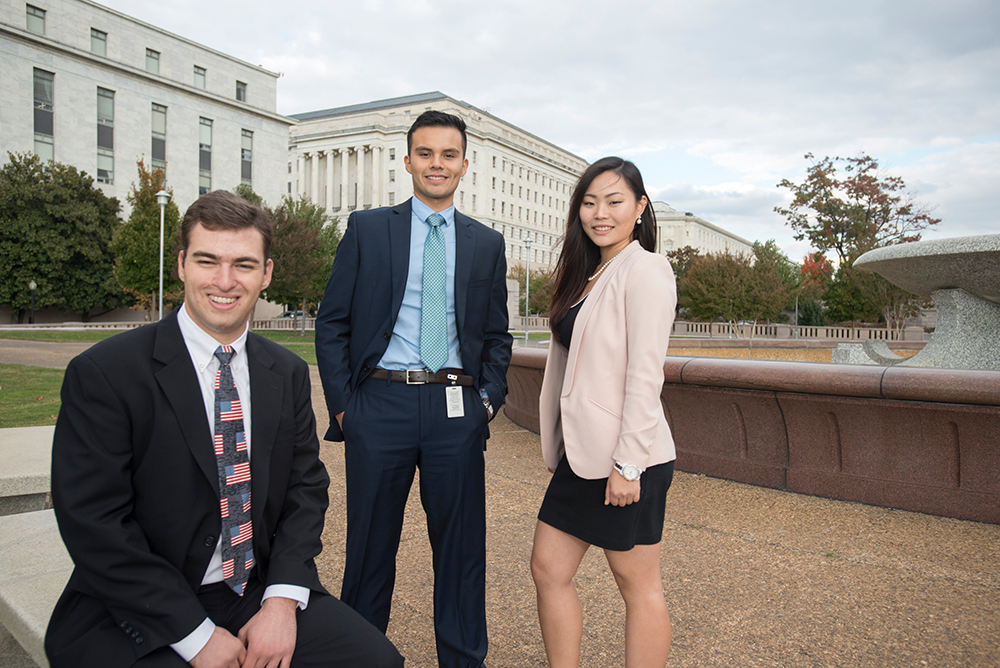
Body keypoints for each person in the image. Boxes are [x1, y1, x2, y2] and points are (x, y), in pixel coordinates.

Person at [45, 190, 403, 668]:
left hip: (252, 591)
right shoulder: (106, 374)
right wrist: (194, 636)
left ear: (267, 274)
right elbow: (94, 523)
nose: (224, 281)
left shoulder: (287, 372)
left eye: (244, 265)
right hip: (139, 606)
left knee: (376, 661)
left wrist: (280, 601)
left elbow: (305, 489)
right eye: (207, 261)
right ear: (181, 265)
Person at [315, 110, 512, 668]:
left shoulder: (486, 243)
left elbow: (496, 334)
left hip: (456, 407)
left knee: (461, 551)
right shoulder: (367, 228)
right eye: (425, 153)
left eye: (449, 155)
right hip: (379, 404)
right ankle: (358, 657)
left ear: (465, 165)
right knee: (370, 549)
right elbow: (332, 324)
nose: (437, 164)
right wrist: (347, 409)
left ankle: (463, 659)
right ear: (407, 161)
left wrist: (486, 404)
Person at [530, 157, 678, 667]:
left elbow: (645, 374)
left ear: (639, 208)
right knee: (548, 570)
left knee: (638, 586)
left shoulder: (646, 268)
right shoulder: (591, 273)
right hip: (584, 455)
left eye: (614, 201)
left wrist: (628, 465)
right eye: (590, 202)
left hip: (626, 460)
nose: (600, 213)